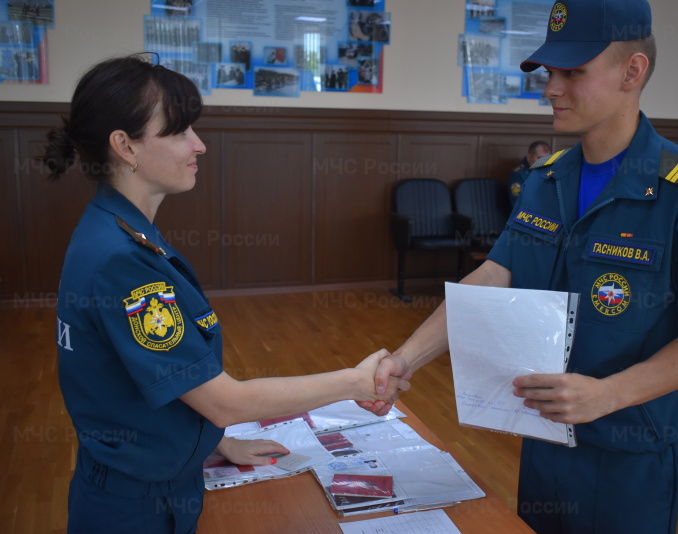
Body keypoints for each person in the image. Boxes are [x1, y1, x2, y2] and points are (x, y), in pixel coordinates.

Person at [360, 1, 678, 532]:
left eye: (574, 73)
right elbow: (494, 276)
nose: (551, 89)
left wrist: (606, 393)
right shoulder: (546, 181)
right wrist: (407, 357)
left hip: (628, 459)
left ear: (632, 72)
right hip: (544, 441)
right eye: (549, 73)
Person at [45, 55, 407, 534]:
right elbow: (225, 402)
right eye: (179, 131)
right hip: (134, 504)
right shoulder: (122, 259)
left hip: (154, 476)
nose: (199, 145)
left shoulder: (117, 230)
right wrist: (356, 383)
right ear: (125, 146)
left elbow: (142, 379)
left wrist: (215, 445)